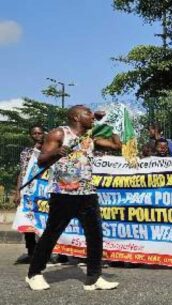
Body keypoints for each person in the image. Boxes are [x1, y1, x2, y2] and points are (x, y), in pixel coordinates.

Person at [25, 105, 121, 291]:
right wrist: (56, 152)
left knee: (95, 236)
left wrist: (111, 124)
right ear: (76, 117)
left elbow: (117, 146)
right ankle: (34, 274)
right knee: (52, 234)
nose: (92, 116)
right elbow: (41, 159)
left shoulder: (90, 137)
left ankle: (94, 277)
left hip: (87, 193)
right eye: (88, 113)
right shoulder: (59, 134)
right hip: (63, 193)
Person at [13, 125, 45, 265]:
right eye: (34, 133)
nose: (37, 135)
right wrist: (17, 191)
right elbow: (22, 172)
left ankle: (50, 253)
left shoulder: (50, 150)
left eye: (40, 133)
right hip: (28, 191)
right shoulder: (26, 152)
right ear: (31, 135)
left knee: (45, 221)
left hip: (44, 190)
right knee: (27, 220)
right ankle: (31, 252)